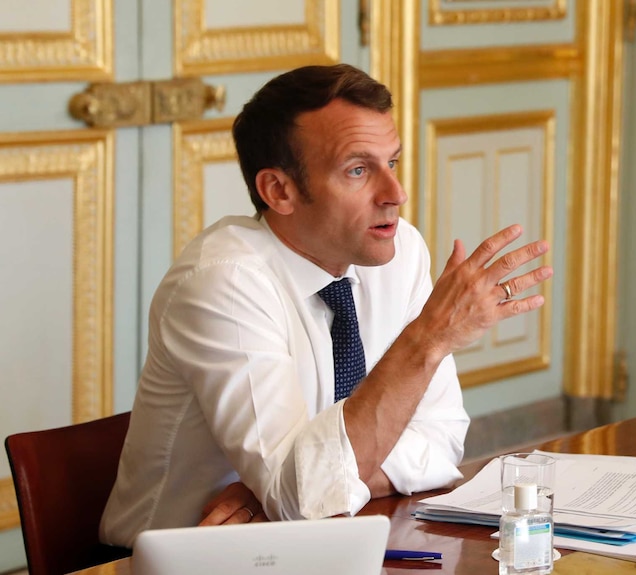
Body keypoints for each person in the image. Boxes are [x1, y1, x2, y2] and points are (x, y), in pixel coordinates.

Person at [100, 63, 552, 548]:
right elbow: (304, 500)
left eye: (392, 163)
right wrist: (429, 337)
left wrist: (279, 494)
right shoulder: (223, 284)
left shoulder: (401, 253)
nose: (395, 194)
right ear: (279, 191)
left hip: (314, 541)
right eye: (358, 170)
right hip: (178, 561)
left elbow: (442, 441)